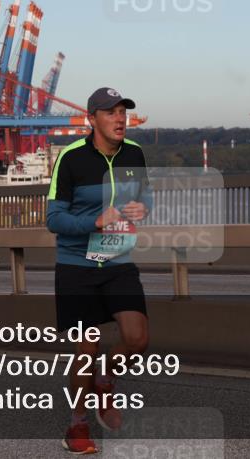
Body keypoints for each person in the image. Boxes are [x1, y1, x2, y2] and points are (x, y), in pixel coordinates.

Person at [47, 87, 152, 455]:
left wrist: (143, 208)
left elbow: (145, 195)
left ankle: (105, 382)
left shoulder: (134, 153)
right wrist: (93, 221)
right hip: (77, 265)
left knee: (137, 339)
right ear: (91, 119)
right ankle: (77, 426)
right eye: (111, 112)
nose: (120, 118)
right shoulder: (71, 158)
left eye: (123, 112)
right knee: (86, 349)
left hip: (118, 261)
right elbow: (54, 219)